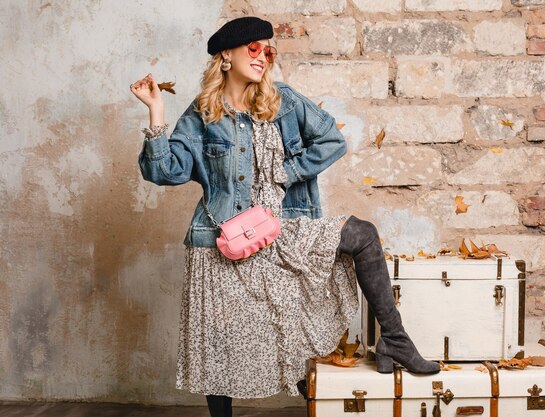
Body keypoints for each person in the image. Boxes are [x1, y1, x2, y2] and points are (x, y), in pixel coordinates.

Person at [130, 15, 439, 417]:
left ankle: (394, 339)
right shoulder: (203, 114)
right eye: (253, 49)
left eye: (268, 51)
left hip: (284, 226)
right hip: (224, 238)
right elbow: (164, 171)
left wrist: (286, 171)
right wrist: (156, 112)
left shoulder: (284, 101)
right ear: (226, 54)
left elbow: (332, 140)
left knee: (359, 237)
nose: (263, 58)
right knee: (221, 348)